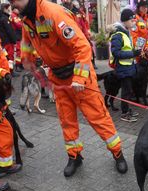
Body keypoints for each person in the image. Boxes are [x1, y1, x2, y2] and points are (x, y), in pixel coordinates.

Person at [12, 0, 128, 176]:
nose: (13, 6)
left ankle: (117, 153)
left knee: (98, 117)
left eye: (14, 1)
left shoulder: (53, 13)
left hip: (78, 77)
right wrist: (26, 59)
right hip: (58, 78)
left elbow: (82, 46)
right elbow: (26, 44)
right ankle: (74, 156)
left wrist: (80, 78)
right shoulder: (27, 20)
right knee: (66, 120)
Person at [110, 8, 140, 122]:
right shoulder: (118, 34)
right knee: (126, 92)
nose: (134, 22)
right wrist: (133, 53)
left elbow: (126, 49)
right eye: (132, 20)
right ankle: (125, 113)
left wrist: (135, 51)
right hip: (123, 68)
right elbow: (116, 53)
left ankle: (127, 109)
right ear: (125, 20)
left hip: (128, 67)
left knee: (128, 91)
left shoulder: (126, 32)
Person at [131, 0, 148, 106]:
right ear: (139, 8)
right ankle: (136, 95)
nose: (145, 9)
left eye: (146, 7)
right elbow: (134, 37)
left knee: (145, 76)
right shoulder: (135, 19)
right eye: (143, 7)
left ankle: (142, 93)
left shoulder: (146, 19)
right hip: (139, 54)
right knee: (137, 76)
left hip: (145, 53)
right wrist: (139, 51)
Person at [0, 3, 17, 76]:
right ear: (5, 9)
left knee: (6, 57)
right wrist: (14, 40)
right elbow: (9, 31)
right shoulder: (4, 18)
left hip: (3, 41)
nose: (10, 11)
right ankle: (11, 72)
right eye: (8, 9)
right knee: (10, 57)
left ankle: (8, 72)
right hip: (8, 41)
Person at [11, 7, 23, 72]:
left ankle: (20, 64)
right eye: (17, 9)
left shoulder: (16, 16)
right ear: (14, 9)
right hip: (17, 36)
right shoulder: (13, 16)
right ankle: (18, 65)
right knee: (19, 51)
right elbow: (19, 25)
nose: (18, 10)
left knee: (21, 50)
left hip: (19, 35)